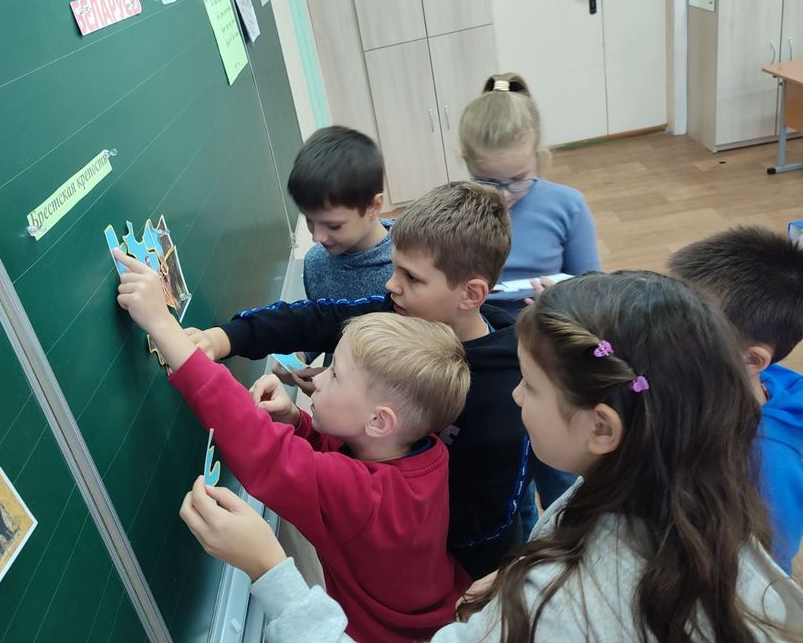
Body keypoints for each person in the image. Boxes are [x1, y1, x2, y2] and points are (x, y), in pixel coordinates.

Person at [179, 272, 803, 642]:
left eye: (530, 385)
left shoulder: (562, 605)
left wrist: (270, 571)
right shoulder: (670, 492)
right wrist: (512, 580)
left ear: (602, 427)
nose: (513, 396)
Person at [114, 248, 471, 642]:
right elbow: (358, 463)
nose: (317, 379)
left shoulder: (365, 498)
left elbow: (263, 450)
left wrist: (162, 325)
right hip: (440, 609)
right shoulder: (428, 451)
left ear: (379, 420)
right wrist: (300, 424)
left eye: (335, 375)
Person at [184, 181, 533, 579]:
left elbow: (489, 520)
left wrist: (380, 514)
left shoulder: (508, 397)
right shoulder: (398, 313)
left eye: (412, 277)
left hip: (459, 578)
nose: (391, 285)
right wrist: (225, 338)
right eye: (395, 268)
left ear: (470, 295)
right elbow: (315, 319)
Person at [459, 72, 601, 532]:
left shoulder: (567, 205)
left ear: (539, 155)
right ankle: (518, 550)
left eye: (518, 180)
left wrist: (562, 299)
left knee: (562, 472)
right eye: (487, 181)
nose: (504, 195)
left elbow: (594, 288)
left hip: (551, 360)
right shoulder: (460, 210)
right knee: (506, 479)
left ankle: (569, 541)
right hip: (488, 362)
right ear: (466, 164)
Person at [669, 225, 803, 575]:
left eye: (685, 326)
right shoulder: (709, 376)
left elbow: (766, 569)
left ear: (751, 359)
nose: (661, 331)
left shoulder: (769, 458)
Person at [289, 126, 394, 303]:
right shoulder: (314, 264)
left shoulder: (409, 269)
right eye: (309, 220)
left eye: (333, 225)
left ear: (373, 206)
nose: (317, 237)